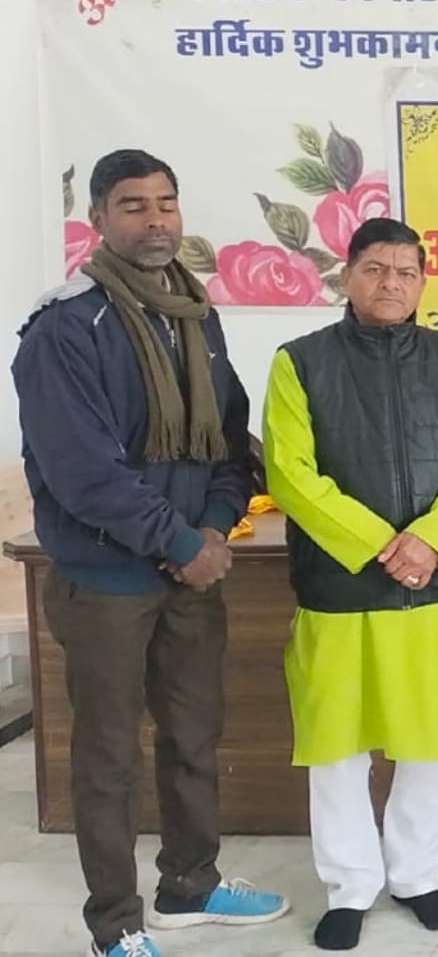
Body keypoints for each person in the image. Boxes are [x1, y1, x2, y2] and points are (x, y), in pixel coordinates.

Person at [11, 149, 288, 957]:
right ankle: (115, 928)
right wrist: (177, 542)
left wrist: (210, 531)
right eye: (133, 205)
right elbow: (81, 471)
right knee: (107, 759)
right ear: (97, 218)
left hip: (190, 572)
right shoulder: (65, 326)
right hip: (105, 580)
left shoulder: (193, 314)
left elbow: (230, 444)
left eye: (166, 202)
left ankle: (190, 885)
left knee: (194, 734)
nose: (156, 218)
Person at [263, 218, 438, 951]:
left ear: (423, 283)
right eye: (374, 269)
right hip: (341, 590)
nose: (390, 283)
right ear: (347, 276)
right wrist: (376, 546)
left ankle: (418, 875)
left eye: (405, 271)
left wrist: (428, 541)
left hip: (437, 591)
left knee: (437, 742)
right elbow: (291, 476)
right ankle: (350, 886)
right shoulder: (298, 363)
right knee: (337, 749)